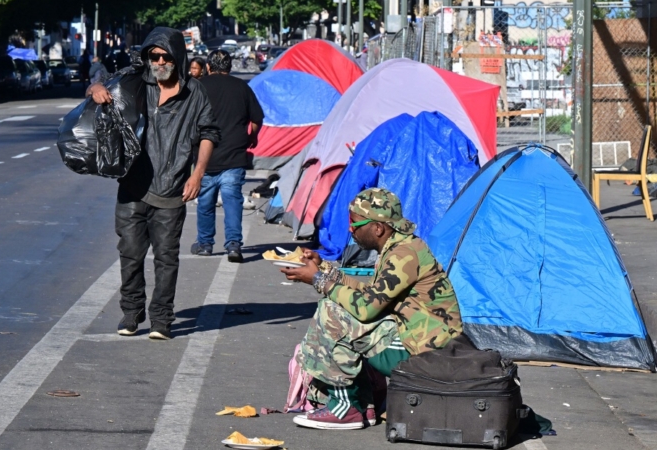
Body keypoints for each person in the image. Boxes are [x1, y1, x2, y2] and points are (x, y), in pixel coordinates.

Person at [281, 188, 462, 430]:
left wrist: (319, 282)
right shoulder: (400, 247)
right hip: (420, 340)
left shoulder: (404, 254)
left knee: (333, 313)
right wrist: (323, 268)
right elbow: (372, 295)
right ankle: (365, 404)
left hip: (426, 351)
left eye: (355, 224)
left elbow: (366, 309)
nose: (350, 229)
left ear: (377, 228)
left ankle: (345, 408)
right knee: (341, 306)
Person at [86, 27, 221, 340]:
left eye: (165, 56)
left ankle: (161, 320)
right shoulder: (135, 82)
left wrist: (197, 173)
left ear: (178, 57)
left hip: (172, 187)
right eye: (153, 56)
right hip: (133, 186)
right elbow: (98, 86)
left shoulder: (194, 92)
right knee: (130, 254)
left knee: (166, 258)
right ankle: (132, 314)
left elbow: (208, 133)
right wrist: (95, 88)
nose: (159, 62)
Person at [191, 50, 264, 262]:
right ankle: (233, 245)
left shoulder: (199, 87)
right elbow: (256, 118)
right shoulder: (242, 87)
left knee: (205, 202)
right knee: (233, 202)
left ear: (208, 67)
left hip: (206, 157)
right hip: (234, 155)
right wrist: (253, 137)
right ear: (229, 66)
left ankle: (205, 243)